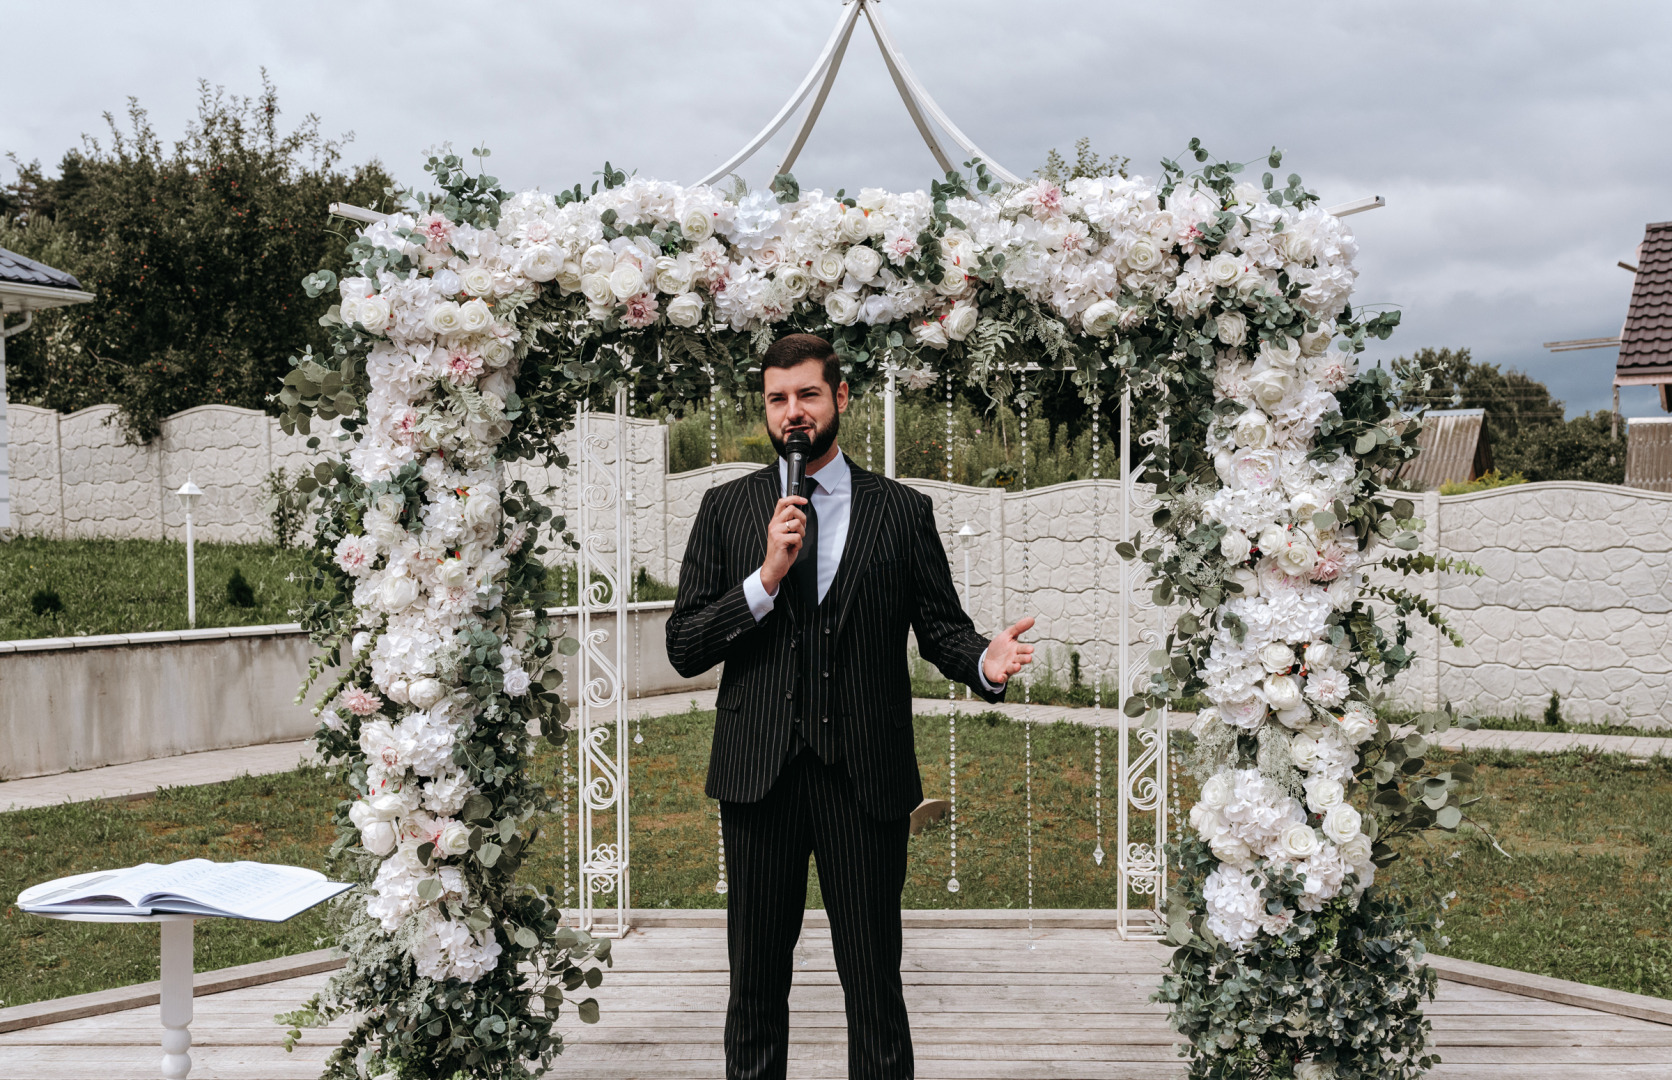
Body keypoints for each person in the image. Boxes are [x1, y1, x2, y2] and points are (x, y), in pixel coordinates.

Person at [666, 332, 1035, 1080]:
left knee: (874, 987)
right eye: (778, 398)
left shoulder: (902, 511)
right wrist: (764, 579)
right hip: (758, 777)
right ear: (765, 411)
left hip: (864, 778)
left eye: (807, 393)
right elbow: (684, 645)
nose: (792, 412)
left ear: (839, 397)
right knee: (755, 987)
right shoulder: (726, 510)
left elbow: (940, 630)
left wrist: (984, 665)